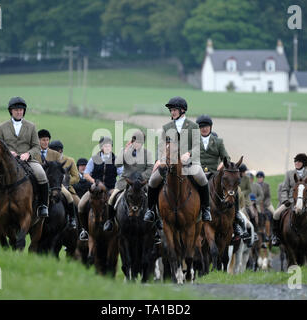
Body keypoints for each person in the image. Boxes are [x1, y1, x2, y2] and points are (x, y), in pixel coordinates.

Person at [143, 97, 213, 225]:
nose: (172, 112)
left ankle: (205, 209)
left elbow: (198, 146)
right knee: (152, 181)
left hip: (189, 163)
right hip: (169, 163)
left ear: (182, 110)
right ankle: (151, 210)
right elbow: (161, 146)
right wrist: (160, 159)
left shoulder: (193, 126)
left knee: (202, 179)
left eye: (174, 109)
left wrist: (189, 153)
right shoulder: (166, 127)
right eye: (171, 110)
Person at [0, 97, 49, 220]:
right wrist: (8, 152)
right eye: (16, 110)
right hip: (7, 161)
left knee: (41, 174)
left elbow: (36, 146)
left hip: (27, 160)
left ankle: (43, 206)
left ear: (24, 111)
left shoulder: (31, 126)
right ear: (11, 111)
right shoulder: (2, 127)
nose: (19, 112)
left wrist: (28, 154)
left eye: (21, 110)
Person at [195, 114, 248, 239]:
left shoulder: (218, 143)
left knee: (233, 191)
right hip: (199, 171)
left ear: (210, 127)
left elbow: (226, 158)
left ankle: (236, 220)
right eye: (201, 126)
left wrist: (221, 165)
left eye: (206, 126)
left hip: (215, 173)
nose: (204, 128)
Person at [271, 153, 307, 247]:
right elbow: (284, 189)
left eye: (299, 161)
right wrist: (285, 200)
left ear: (303, 163)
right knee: (276, 214)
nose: (296, 163)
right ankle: (276, 236)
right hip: (291, 201)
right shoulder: (289, 174)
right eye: (295, 161)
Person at [104, 130, 153, 232]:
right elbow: (117, 164)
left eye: (140, 142)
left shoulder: (147, 153)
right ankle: (110, 221)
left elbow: (150, 168)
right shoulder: (125, 150)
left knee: (153, 198)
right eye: (135, 141)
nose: (138, 144)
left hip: (141, 183)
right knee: (112, 198)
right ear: (132, 141)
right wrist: (124, 151)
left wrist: (140, 178)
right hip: (125, 181)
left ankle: (155, 223)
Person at [77, 136, 122, 241]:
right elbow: (86, 174)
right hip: (95, 189)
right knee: (80, 205)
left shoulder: (116, 160)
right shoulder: (94, 159)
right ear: (101, 147)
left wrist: (119, 185)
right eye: (105, 145)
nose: (107, 147)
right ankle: (84, 230)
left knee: (119, 204)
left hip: (111, 189)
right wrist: (94, 182)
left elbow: (121, 174)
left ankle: (119, 228)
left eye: (109, 145)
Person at [39, 135, 78, 227]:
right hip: (50, 185)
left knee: (74, 201)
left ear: (60, 151)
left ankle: (75, 222)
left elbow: (76, 177)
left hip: (62, 186)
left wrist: (66, 183)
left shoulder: (69, 160)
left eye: (54, 150)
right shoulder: (48, 160)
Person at [256, 171, 273, 241]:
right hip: (257, 204)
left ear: (263, 178)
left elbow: (268, 196)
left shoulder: (267, 185)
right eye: (258, 177)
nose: (259, 179)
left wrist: (265, 203)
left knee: (274, 213)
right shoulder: (255, 185)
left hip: (266, 204)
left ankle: (272, 233)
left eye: (261, 177)